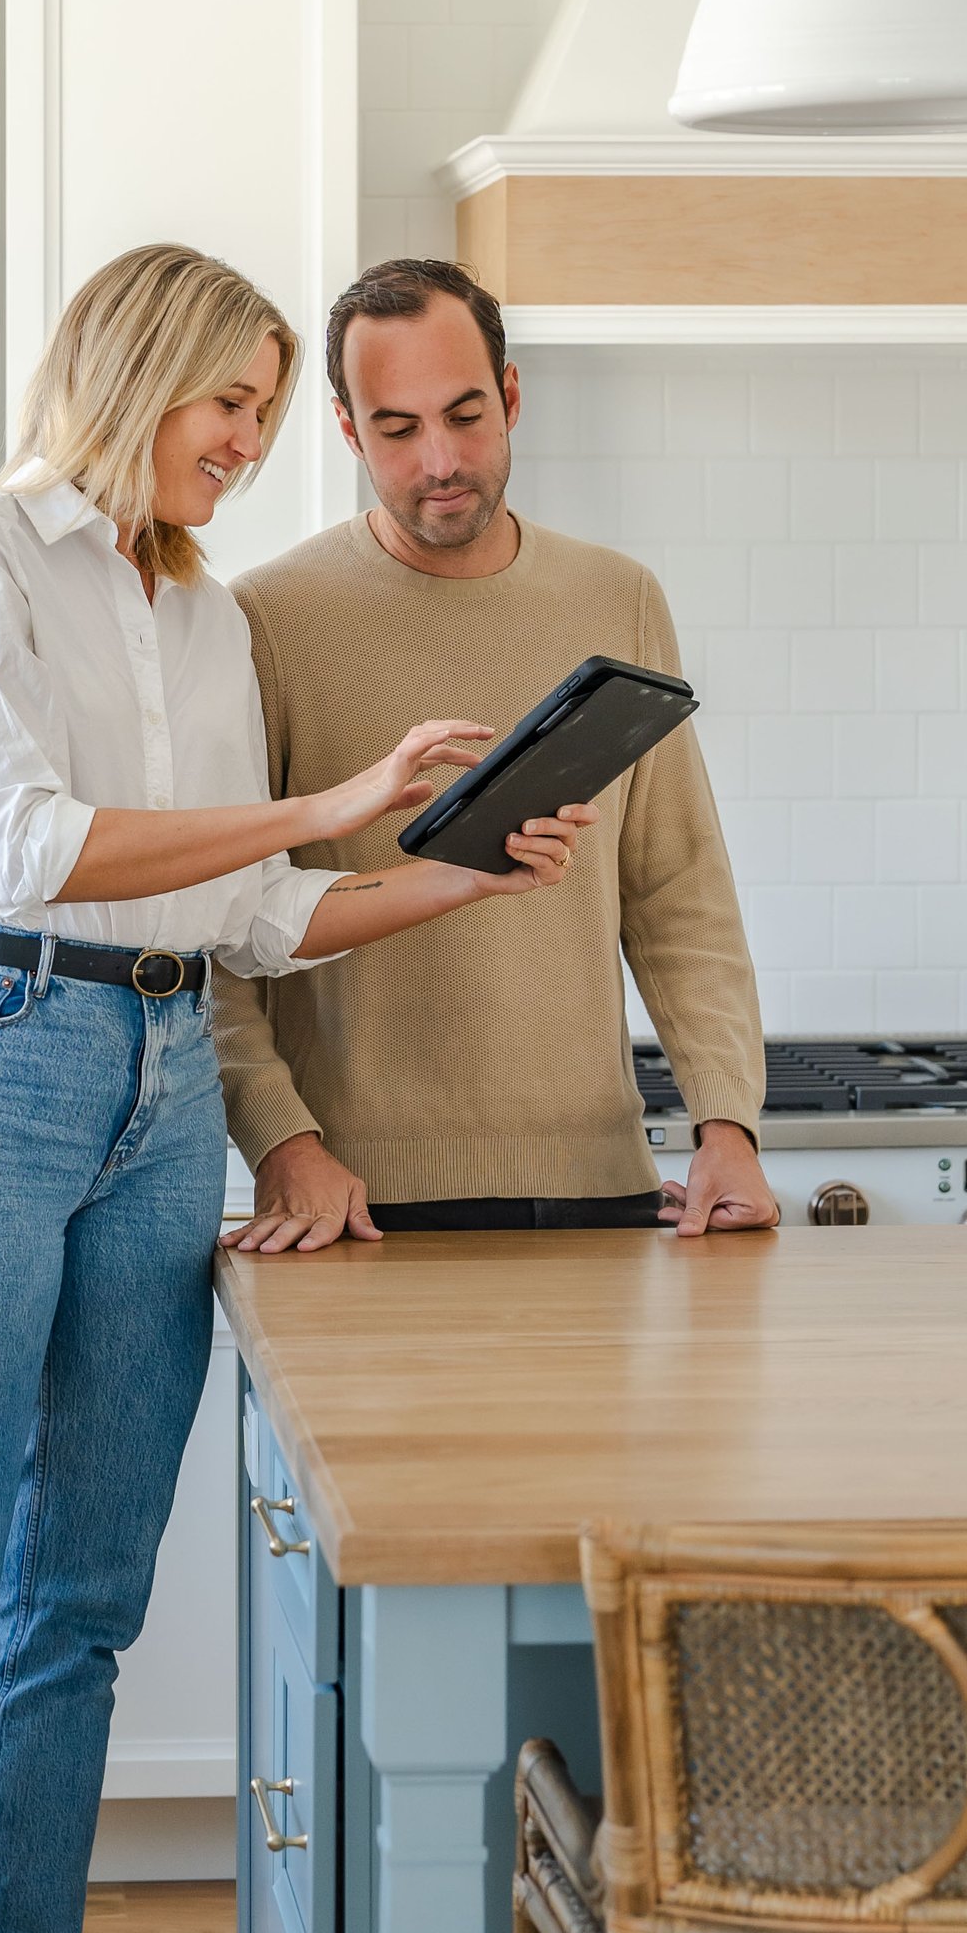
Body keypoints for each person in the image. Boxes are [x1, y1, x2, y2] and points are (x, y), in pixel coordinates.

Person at [0, 242, 594, 1933]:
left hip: (161, 1080)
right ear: (139, 373)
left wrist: (445, 863)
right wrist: (329, 801)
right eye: (234, 405)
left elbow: (251, 916)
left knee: (71, 1610)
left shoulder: (190, 607)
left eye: (269, 413)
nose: (254, 446)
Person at [221, 256, 775, 1253]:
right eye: (396, 428)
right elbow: (217, 922)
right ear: (349, 431)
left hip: (596, 1184)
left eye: (466, 414)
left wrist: (725, 1123)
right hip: (351, 1201)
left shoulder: (618, 597)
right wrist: (279, 1141)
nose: (440, 458)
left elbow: (676, 888)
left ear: (511, 396)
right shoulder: (266, 618)